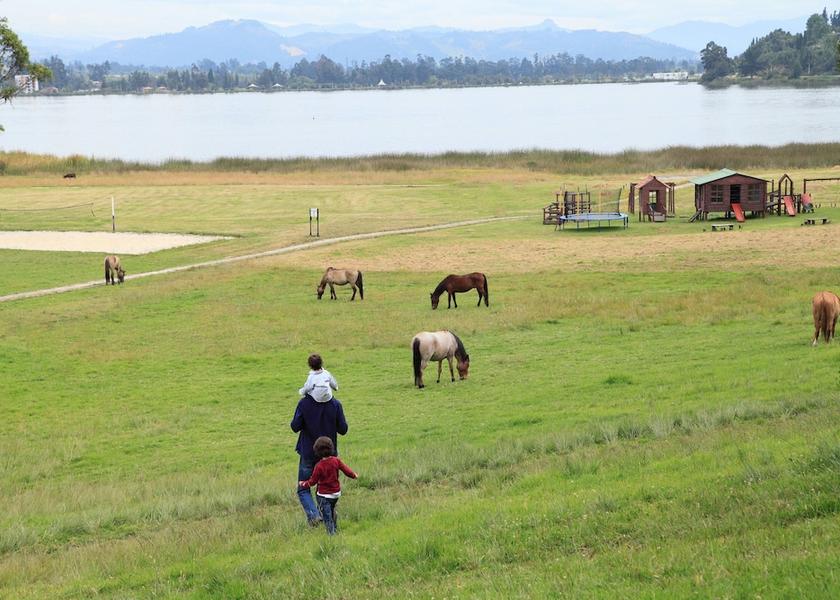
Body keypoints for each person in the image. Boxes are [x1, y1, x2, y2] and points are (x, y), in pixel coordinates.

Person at [291, 354, 348, 526]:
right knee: (326, 486)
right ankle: (328, 514)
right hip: (330, 454)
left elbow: (295, 427)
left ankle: (314, 515)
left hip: (309, 451)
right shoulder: (335, 404)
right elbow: (343, 430)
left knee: (303, 488)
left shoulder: (304, 404)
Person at [299, 436, 357, 535]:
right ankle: (335, 528)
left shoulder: (319, 466)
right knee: (331, 510)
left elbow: (312, 482)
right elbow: (346, 470)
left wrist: (303, 484)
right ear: (331, 448)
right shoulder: (336, 461)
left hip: (324, 496)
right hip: (336, 494)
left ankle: (332, 536)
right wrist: (354, 475)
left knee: (327, 517)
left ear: (316, 451)